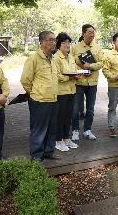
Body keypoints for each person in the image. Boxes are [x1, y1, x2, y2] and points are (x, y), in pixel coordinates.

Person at [21, 31, 59, 161]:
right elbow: (25, 80)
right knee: (39, 130)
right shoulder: (34, 59)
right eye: (50, 40)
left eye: (54, 40)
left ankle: (48, 152)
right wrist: (33, 93)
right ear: (41, 42)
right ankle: (36, 155)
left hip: (53, 99)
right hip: (39, 100)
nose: (53, 42)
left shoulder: (53, 58)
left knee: (52, 128)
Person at [71, 24, 105, 141]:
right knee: (75, 109)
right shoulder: (75, 48)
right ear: (83, 33)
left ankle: (87, 130)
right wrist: (82, 68)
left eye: (93, 32)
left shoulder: (98, 48)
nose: (92, 34)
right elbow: (71, 62)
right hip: (79, 82)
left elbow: (101, 63)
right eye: (90, 32)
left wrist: (90, 66)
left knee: (90, 109)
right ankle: (75, 130)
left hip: (92, 83)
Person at [52, 32, 79, 152]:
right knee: (60, 117)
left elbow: (74, 71)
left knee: (69, 116)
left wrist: (78, 75)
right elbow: (56, 75)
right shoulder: (55, 58)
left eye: (69, 42)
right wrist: (70, 77)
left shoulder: (71, 56)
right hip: (61, 92)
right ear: (58, 44)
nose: (67, 45)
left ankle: (66, 138)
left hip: (72, 91)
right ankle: (58, 141)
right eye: (64, 42)